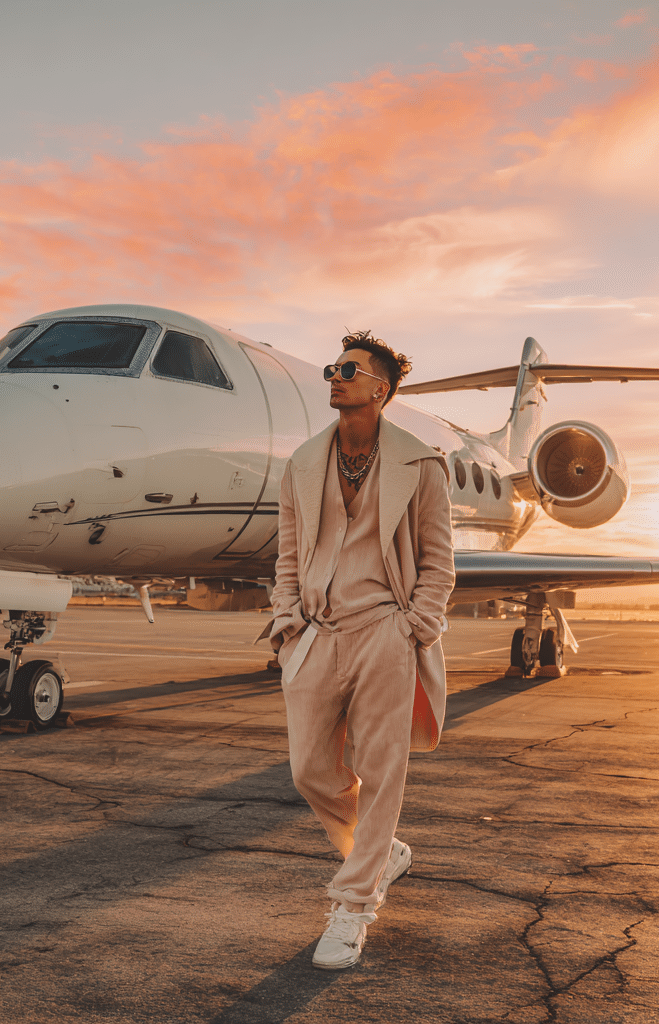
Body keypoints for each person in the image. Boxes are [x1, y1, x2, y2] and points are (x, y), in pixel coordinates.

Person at [265, 330, 455, 970]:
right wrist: (286, 619)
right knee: (309, 771)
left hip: (385, 629)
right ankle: (383, 851)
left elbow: (438, 562)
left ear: (381, 388)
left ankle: (352, 908)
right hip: (317, 631)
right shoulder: (302, 465)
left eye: (348, 369)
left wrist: (416, 626)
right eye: (331, 368)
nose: (335, 377)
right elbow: (288, 554)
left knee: (382, 772)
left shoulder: (421, 465)